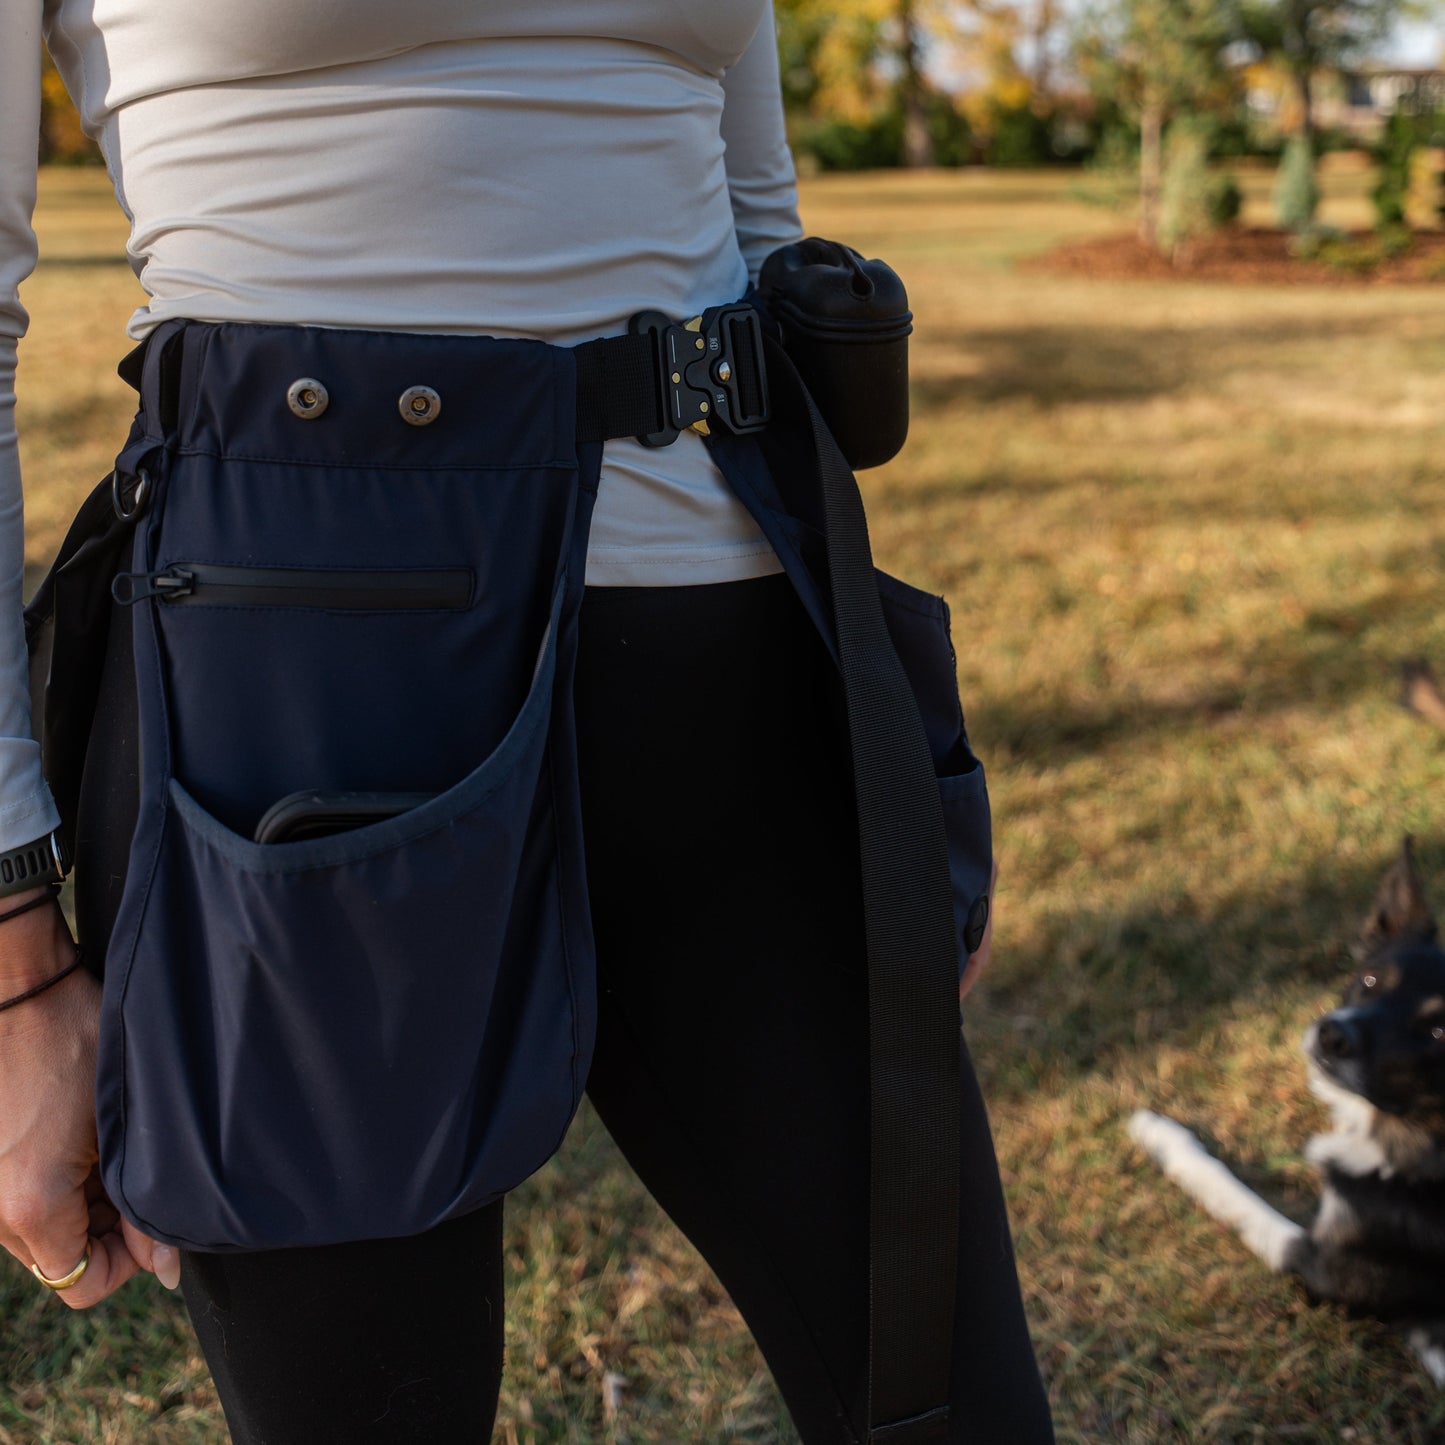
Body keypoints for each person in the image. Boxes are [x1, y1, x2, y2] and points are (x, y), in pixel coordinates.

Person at [0, 3, 1056, 1441]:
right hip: (300, 715)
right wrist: (15, 961)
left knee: (950, 1405)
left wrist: (870, 725)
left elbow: (757, 230)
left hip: (735, 676)